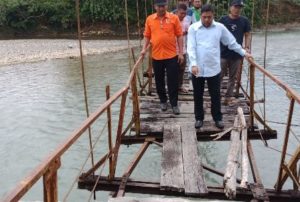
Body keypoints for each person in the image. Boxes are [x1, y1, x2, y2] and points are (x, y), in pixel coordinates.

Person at [187, 4, 252, 129]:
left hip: (213, 68)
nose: (207, 20)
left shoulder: (220, 28)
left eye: (209, 17)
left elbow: (231, 43)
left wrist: (244, 53)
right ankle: (199, 118)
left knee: (215, 95)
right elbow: (191, 47)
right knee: (198, 95)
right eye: (204, 17)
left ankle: (217, 118)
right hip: (197, 69)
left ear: (213, 16)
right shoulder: (193, 28)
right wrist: (193, 63)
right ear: (201, 16)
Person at [141, 0, 184, 115]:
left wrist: (180, 52)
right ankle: (163, 101)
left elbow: (179, 35)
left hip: (171, 55)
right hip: (156, 56)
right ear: (155, 7)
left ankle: (174, 104)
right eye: (159, 6)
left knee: (173, 81)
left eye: (163, 6)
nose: (162, 8)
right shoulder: (149, 19)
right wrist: (144, 49)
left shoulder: (174, 18)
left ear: (166, 6)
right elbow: (147, 36)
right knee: (159, 81)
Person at [220, 0, 251, 105]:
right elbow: (216, 34)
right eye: (235, 7)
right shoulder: (223, 20)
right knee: (219, 75)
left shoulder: (244, 21)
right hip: (223, 53)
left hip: (236, 55)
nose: (237, 9)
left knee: (232, 77)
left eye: (239, 7)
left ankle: (228, 98)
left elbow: (247, 34)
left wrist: (246, 47)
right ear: (230, 7)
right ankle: (216, 96)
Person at [176, 3, 190, 93]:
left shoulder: (187, 21)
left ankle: (179, 86)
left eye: (184, 13)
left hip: (183, 49)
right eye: (181, 13)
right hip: (172, 50)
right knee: (172, 70)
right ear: (177, 12)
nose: (183, 15)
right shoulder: (172, 20)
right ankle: (173, 86)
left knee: (181, 69)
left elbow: (190, 33)